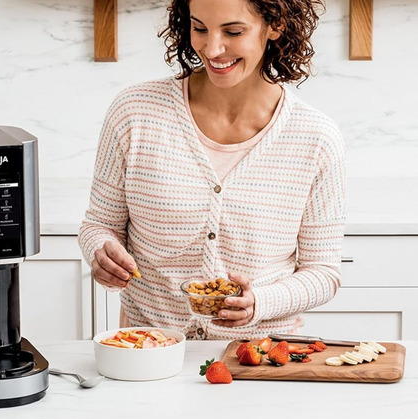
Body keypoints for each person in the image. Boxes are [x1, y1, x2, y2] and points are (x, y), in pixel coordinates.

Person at [78, 0, 345, 340]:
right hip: (148, 351)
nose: (212, 48)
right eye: (199, 28)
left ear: (275, 26)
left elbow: (323, 272)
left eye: (233, 31)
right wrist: (101, 252)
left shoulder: (316, 138)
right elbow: (99, 225)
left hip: (257, 359)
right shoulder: (135, 112)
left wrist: (260, 302)